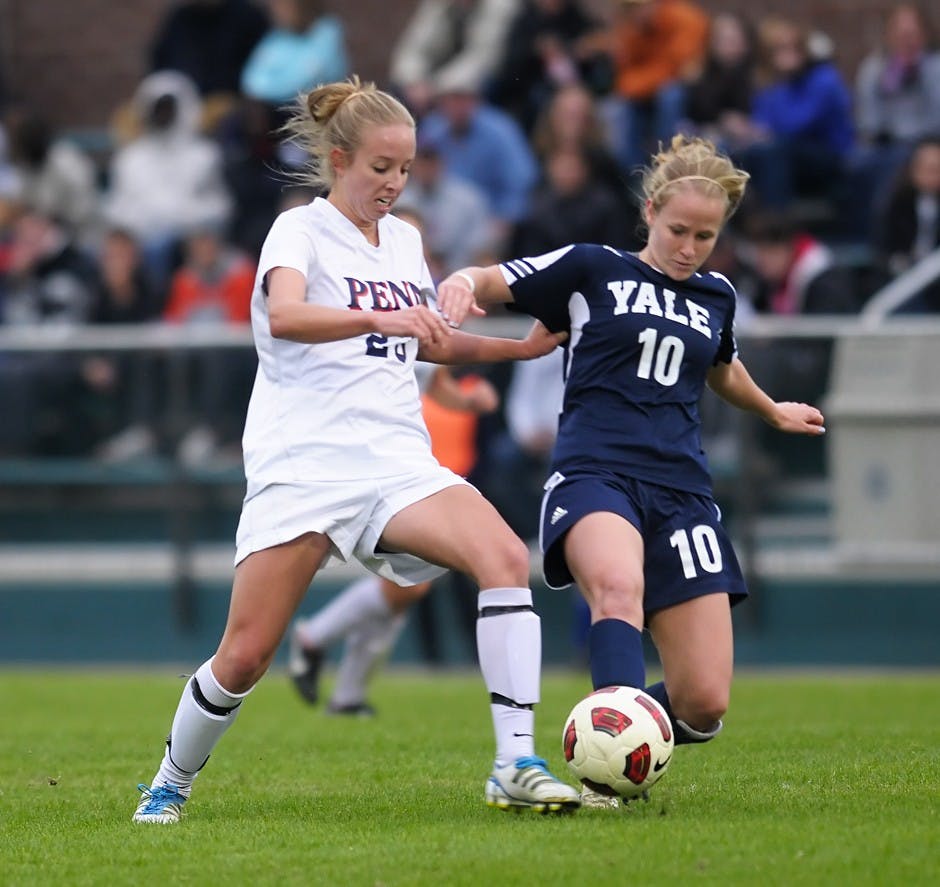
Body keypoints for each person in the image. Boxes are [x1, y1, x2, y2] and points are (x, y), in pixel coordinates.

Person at [132, 76, 580, 824]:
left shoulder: (405, 239)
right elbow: (287, 314)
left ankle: (513, 762)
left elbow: (425, 338)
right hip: (303, 464)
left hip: (396, 462)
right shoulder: (297, 231)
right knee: (243, 656)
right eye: (381, 167)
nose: (395, 183)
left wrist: (519, 350)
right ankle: (171, 779)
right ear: (339, 160)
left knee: (504, 557)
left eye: (404, 168)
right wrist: (396, 322)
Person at [435, 134, 826, 807]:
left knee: (704, 699)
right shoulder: (594, 268)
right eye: (678, 229)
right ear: (649, 212)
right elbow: (493, 279)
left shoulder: (717, 295)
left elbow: (721, 367)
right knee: (617, 589)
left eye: (705, 235)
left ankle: (614, 734)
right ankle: (603, 777)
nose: (688, 247)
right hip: (596, 471)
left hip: (683, 491)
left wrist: (771, 411)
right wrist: (461, 282)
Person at [288, 361, 500, 715]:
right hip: (369, 465)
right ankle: (322, 652)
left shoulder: (410, 321)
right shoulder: (365, 319)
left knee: (406, 584)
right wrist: (516, 348)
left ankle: (340, 683)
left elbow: (433, 375)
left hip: (406, 469)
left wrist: (467, 401)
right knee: (407, 583)